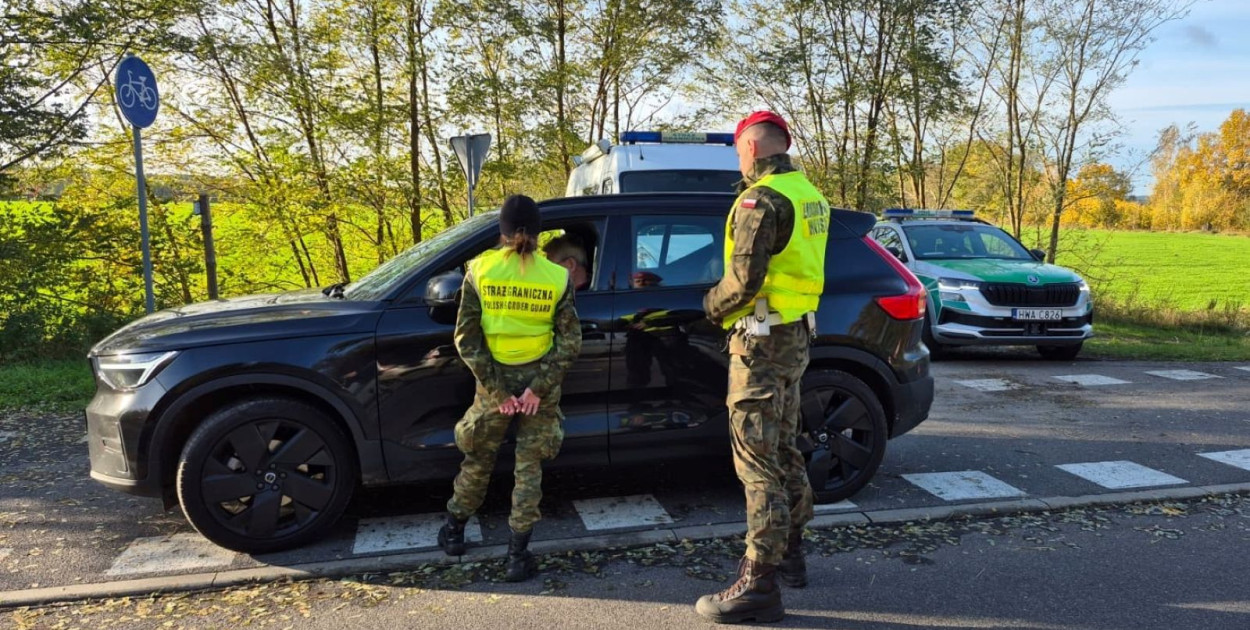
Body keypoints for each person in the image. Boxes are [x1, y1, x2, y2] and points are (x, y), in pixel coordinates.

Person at [695, 111, 830, 624]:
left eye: (738, 151)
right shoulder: (809, 195)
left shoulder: (762, 199)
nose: (739, 161)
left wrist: (709, 307)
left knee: (757, 461)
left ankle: (758, 584)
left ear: (750, 147)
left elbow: (743, 281)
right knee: (784, 447)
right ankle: (791, 555)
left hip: (759, 342)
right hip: (794, 337)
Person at [437, 195, 582, 582]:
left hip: (494, 383)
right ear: (538, 232)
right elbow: (569, 342)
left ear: (501, 231)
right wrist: (536, 389)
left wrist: (499, 392)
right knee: (528, 469)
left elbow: (466, 339)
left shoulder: (480, 270)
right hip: (539, 385)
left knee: (478, 460)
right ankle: (517, 556)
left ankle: (454, 533)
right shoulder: (556, 276)